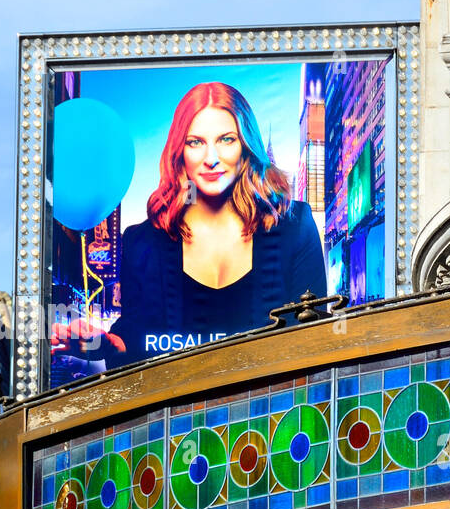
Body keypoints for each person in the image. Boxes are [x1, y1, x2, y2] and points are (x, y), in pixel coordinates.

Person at [101, 81, 327, 371]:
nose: (211, 159)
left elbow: (314, 343)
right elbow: (136, 341)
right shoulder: (142, 241)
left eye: (226, 139)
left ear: (246, 146)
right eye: (196, 142)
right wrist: (113, 346)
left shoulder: (295, 227)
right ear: (179, 152)